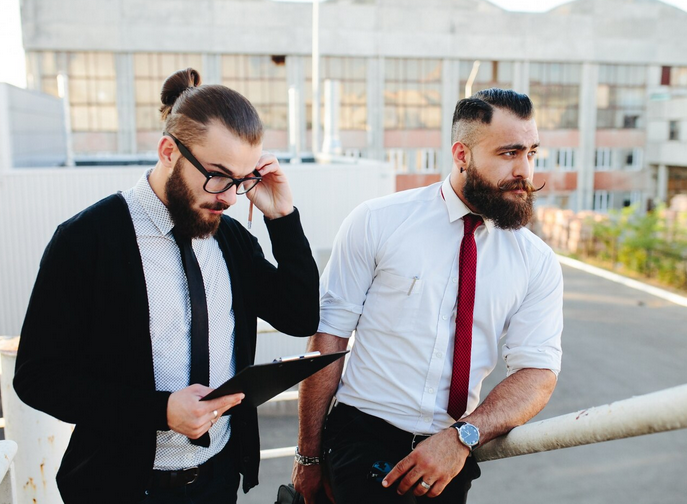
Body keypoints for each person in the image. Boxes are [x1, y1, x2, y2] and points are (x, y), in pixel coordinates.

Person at [14, 67, 320, 504]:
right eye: (217, 175)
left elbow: (300, 316)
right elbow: (37, 378)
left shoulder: (230, 238)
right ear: (168, 151)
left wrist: (282, 217)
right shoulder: (86, 240)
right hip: (118, 488)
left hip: (217, 481)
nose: (229, 197)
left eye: (241, 180)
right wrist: (159, 411)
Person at [292, 89, 563, 504]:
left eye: (531, 153)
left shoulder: (536, 261)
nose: (524, 171)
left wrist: (463, 436)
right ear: (462, 155)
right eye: (509, 153)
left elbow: (538, 371)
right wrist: (308, 456)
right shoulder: (377, 222)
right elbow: (329, 338)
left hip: (452, 451)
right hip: (362, 438)